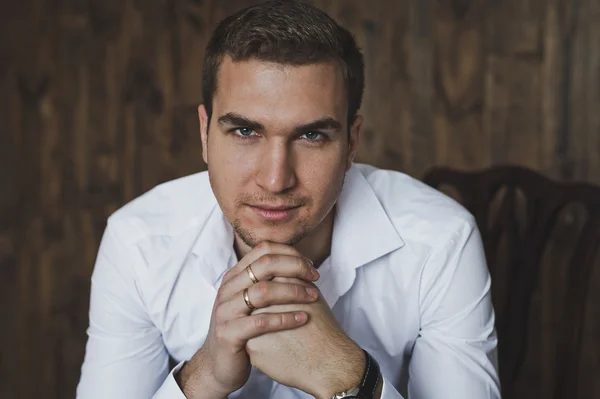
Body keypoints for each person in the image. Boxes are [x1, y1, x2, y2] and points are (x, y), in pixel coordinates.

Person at [76, 1, 500, 398]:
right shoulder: (138, 241)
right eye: (245, 132)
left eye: (311, 135)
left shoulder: (440, 240)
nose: (276, 179)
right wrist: (204, 376)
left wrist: (347, 373)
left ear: (352, 141)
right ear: (204, 134)